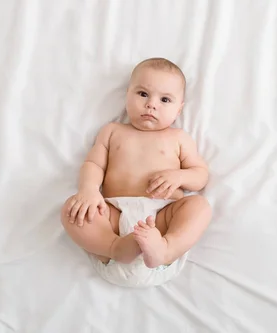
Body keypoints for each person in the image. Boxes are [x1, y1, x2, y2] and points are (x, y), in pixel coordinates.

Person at [60, 57, 212, 287]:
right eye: (142, 94)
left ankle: (167, 249)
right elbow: (94, 165)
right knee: (73, 209)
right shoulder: (112, 131)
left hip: (161, 218)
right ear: (127, 95)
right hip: (113, 216)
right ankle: (114, 248)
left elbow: (200, 175)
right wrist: (89, 191)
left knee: (199, 207)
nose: (152, 104)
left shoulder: (178, 138)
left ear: (179, 108)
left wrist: (180, 176)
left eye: (165, 99)